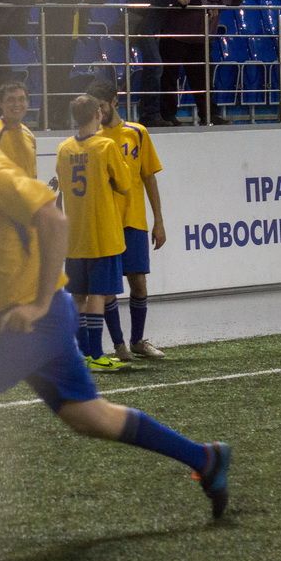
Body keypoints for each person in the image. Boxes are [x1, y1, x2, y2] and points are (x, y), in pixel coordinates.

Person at [0, 90, 230, 547]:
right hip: (40, 320)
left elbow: (53, 221)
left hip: (32, 320)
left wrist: (36, 304)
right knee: (90, 417)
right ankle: (206, 459)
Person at [88, 78, 168, 362]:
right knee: (107, 287)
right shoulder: (92, 138)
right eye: (94, 108)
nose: (99, 113)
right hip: (105, 222)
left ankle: (137, 341)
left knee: (139, 282)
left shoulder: (137, 133)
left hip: (133, 219)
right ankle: (119, 345)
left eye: (102, 106)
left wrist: (159, 220)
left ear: (114, 101)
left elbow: (149, 177)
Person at [54, 93, 131, 373]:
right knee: (98, 294)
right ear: (98, 114)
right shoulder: (106, 145)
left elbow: (62, 185)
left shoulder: (64, 148)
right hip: (102, 232)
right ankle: (97, 354)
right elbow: (124, 184)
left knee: (78, 295)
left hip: (75, 234)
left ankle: (82, 353)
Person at [163, 0, 241, 126]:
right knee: (170, 78)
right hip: (177, 36)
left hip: (201, 37)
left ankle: (209, 115)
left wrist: (217, 4)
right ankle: (168, 116)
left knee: (203, 79)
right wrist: (210, 5)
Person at [41, 0, 105, 128]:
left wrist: (85, 0)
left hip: (74, 33)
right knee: (53, 78)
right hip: (54, 33)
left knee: (64, 78)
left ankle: (59, 119)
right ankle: (48, 120)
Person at [126, 0, 187, 128]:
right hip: (142, 24)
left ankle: (153, 113)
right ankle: (149, 114)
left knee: (154, 68)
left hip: (153, 25)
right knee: (154, 67)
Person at [0, 79, 36, 180]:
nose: (17, 104)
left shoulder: (29, 135)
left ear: (27, 103)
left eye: (21, 99)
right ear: (1, 103)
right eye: (11, 100)